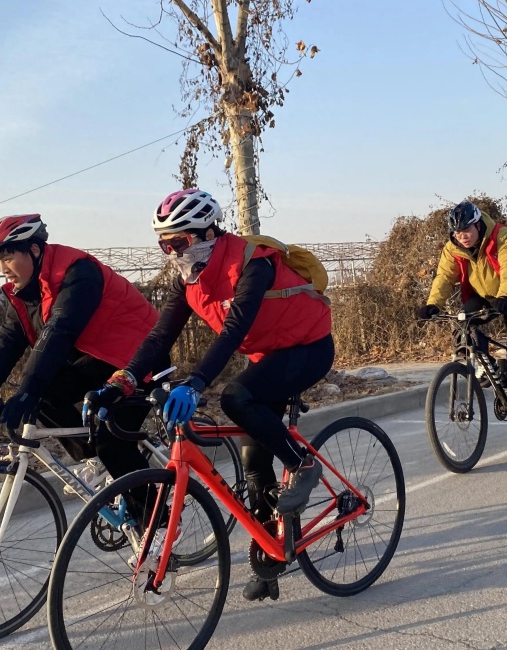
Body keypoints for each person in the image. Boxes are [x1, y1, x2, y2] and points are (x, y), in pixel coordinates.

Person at [100, 188, 333, 602]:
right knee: (253, 459)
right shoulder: (189, 281)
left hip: (309, 346)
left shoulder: (252, 263)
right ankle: (271, 555)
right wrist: (125, 378)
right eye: (165, 245)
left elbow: (233, 331)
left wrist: (196, 383)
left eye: (179, 242)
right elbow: (159, 336)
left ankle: (303, 464)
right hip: (269, 354)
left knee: (235, 398)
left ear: (208, 233)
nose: (173, 253)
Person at [0, 214, 167, 502]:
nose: (3, 269)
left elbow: (59, 331)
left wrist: (27, 390)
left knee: (113, 443)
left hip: (143, 359)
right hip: (102, 359)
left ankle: (153, 519)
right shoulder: (27, 290)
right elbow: (7, 342)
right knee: (43, 394)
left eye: (8, 258)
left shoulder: (78, 273)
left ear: (34, 250)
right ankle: (94, 458)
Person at [416, 201, 507, 438]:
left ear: (477, 225)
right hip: (485, 295)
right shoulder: (453, 248)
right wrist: (433, 304)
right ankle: (487, 365)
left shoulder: (503, 237)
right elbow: (444, 277)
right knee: (462, 323)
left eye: (466, 230)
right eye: (457, 233)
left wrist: (506, 296)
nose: (462, 237)